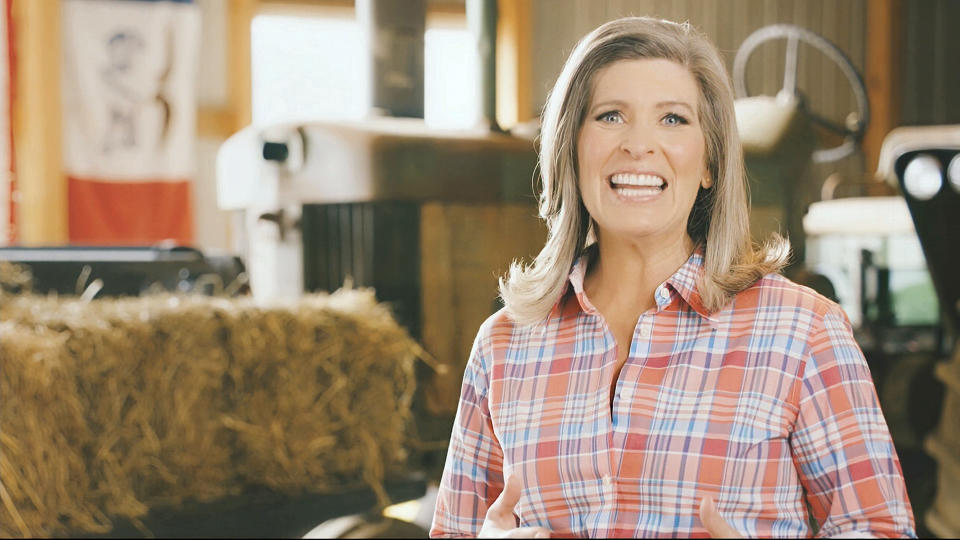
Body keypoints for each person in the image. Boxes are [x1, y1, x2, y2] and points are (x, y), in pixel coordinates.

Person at [430, 16, 915, 539]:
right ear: (572, 149)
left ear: (709, 162)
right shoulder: (504, 345)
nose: (639, 145)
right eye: (611, 116)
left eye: (673, 120)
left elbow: (881, 529)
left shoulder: (804, 332)